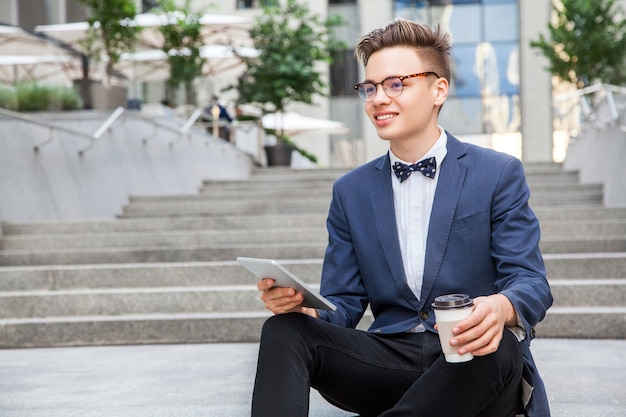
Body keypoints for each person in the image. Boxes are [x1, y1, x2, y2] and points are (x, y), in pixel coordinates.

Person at [251, 18, 553, 417]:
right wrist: (307, 309)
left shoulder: (497, 173)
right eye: (370, 87)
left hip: (474, 362)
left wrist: (500, 307)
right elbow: (343, 304)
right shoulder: (351, 191)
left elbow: (530, 281)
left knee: (499, 346)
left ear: (438, 89)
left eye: (396, 84)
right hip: (388, 362)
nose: (378, 98)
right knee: (284, 331)